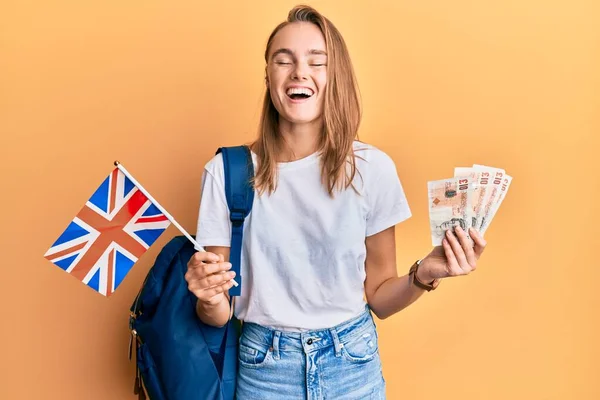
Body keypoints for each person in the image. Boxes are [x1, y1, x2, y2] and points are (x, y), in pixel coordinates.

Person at [184, 5, 487, 399]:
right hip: (264, 370)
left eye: (317, 61)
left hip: (353, 364)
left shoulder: (372, 169)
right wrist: (207, 297)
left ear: (336, 76)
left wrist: (425, 273)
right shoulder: (226, 172)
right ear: (268, 76)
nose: (299, 72)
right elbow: (220, 311)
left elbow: (378, 296)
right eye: (283, 60)